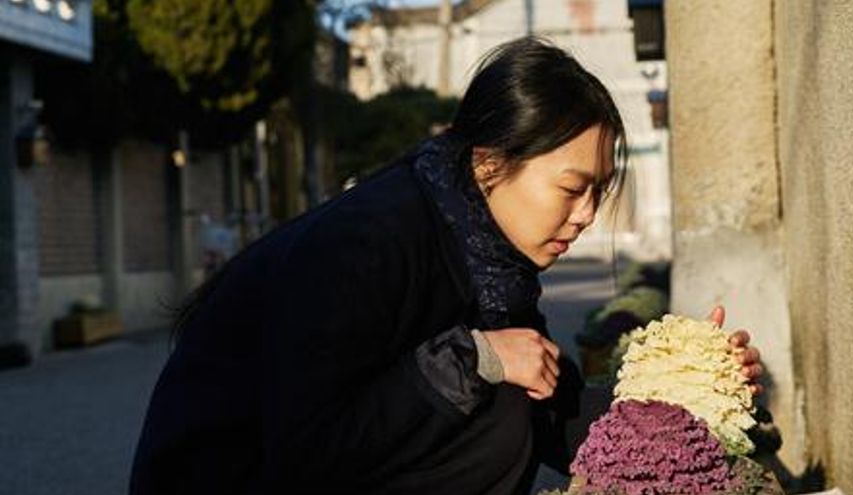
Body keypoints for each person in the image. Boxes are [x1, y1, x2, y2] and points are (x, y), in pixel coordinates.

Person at [129, 37, 764, 495]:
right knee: (497, 407)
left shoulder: (488, 260)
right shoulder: (367, 244)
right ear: (490, 164)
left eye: (600, 190)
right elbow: (307, 447)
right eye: (573, 189)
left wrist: (692, 387)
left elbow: (558, 409)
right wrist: (477, 358)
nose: (587, 214)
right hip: (232, 474)